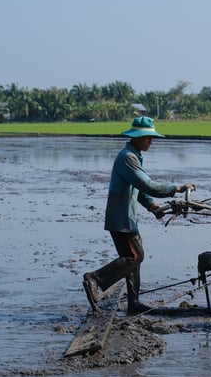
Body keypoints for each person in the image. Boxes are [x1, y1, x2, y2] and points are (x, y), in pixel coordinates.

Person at [83, 116, 195, 314]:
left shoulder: (134, 156)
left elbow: (140, 190)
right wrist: (176, 188)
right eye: (147, 138)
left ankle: (133, 303)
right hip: (121, 219)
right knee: (135, 257)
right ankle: (95, 279)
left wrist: (152, 206)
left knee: (134, 260)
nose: (151, 142)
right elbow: (147, 185)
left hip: (128, 218)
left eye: (152, 138)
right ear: (136, 137)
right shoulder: (127, 157)